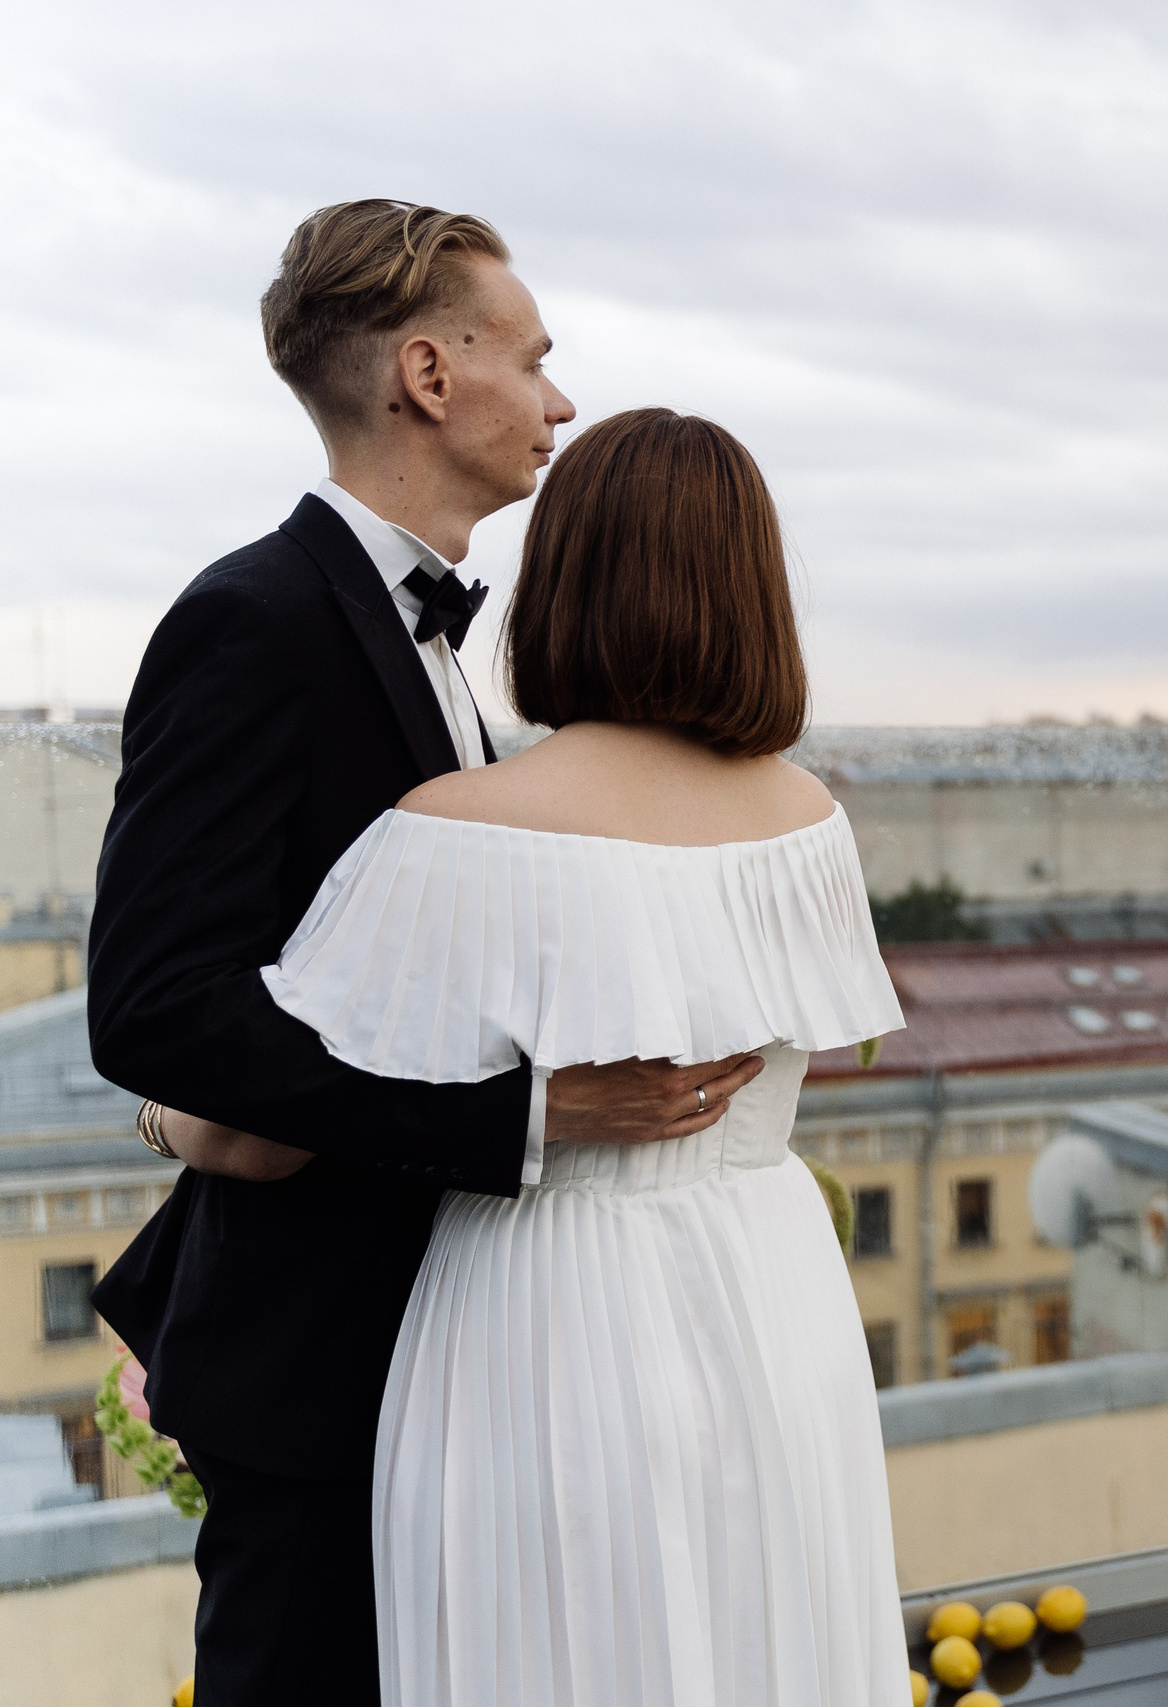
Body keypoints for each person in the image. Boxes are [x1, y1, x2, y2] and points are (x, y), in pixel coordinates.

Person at [89, 202, 769, 1705]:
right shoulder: (252, 620)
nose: (561, 401)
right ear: (429, 374)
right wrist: (524, 1116)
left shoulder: (436, 643)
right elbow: (154, 1008)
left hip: (456, 1340)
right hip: (317, 1356)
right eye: (534, 358)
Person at [259, 405, 910, 1704]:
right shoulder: (811, 824)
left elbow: (267, 1119)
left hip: (545, 1312)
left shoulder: (456, 832)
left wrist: (162, 1118)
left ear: (564, 582)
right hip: (774, 1298)